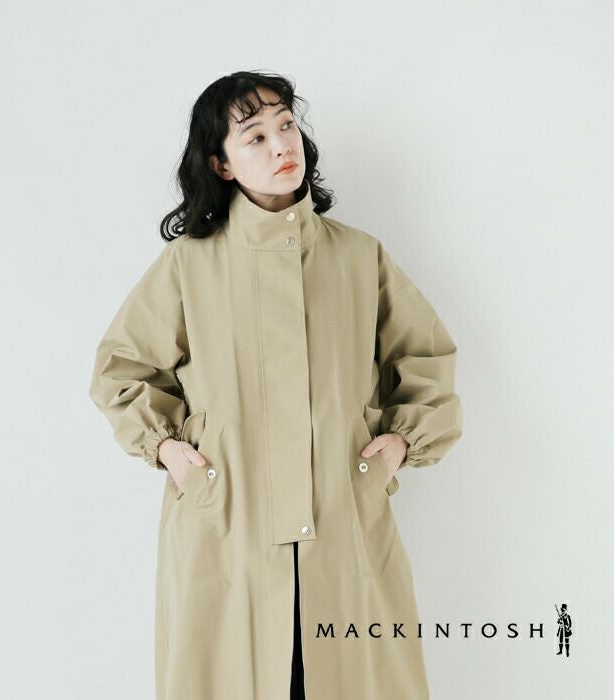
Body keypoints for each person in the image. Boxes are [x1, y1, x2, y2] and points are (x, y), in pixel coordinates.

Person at [89, 70, 463, 700]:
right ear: (221, 164)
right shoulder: (189, 264)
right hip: (228, 524)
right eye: (255, 136)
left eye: (286, 125)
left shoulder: (358, 257)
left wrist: (402, 442)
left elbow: (425, 357)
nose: (281, 144)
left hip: (342, 518)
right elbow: (122, 368)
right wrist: (167, 448)